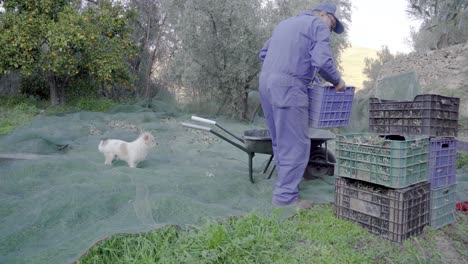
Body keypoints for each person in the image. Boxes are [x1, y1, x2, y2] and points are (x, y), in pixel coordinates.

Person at [258, 2, 346, 209]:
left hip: (266, 84)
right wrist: (337, 81)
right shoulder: (318, 26)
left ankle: (284, 186)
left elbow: (263, 54)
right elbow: (323, 62)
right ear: (323, 14)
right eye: (332, 24)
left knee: (280, 140)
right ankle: (286, 198)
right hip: (289, 86)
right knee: (296, 144)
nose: (330, 30)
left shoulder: (285, 24)